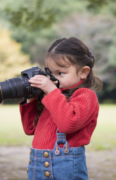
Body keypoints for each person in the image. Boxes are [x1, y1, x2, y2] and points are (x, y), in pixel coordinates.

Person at [18, 37, 103, 180]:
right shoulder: (53, 97)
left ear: (83, 72)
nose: (53, 79)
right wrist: (31, 98)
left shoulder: (85, 95)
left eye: (61, 73)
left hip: (65, 170)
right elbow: (30, 129)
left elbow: (68, 123)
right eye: (50, 73)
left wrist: (51, 91)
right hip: (37, 167)